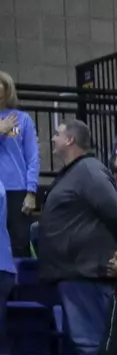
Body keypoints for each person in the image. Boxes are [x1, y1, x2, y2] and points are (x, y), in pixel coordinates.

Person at [38, 120, 117, 355]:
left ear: (70, 140)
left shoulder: (89, 170)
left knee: (90, 344)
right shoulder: (74, 172)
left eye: (57, 134)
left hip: (86, 273)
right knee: (79, 345)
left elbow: (114, 214)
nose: (53, 139)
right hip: (72, 272)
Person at [0, 73, 40, 259]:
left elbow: (32, 157)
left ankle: (19, 286)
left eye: (2, 91)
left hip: (17, 188)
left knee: (19, 243)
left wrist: (31, 191)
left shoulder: (23, 119)